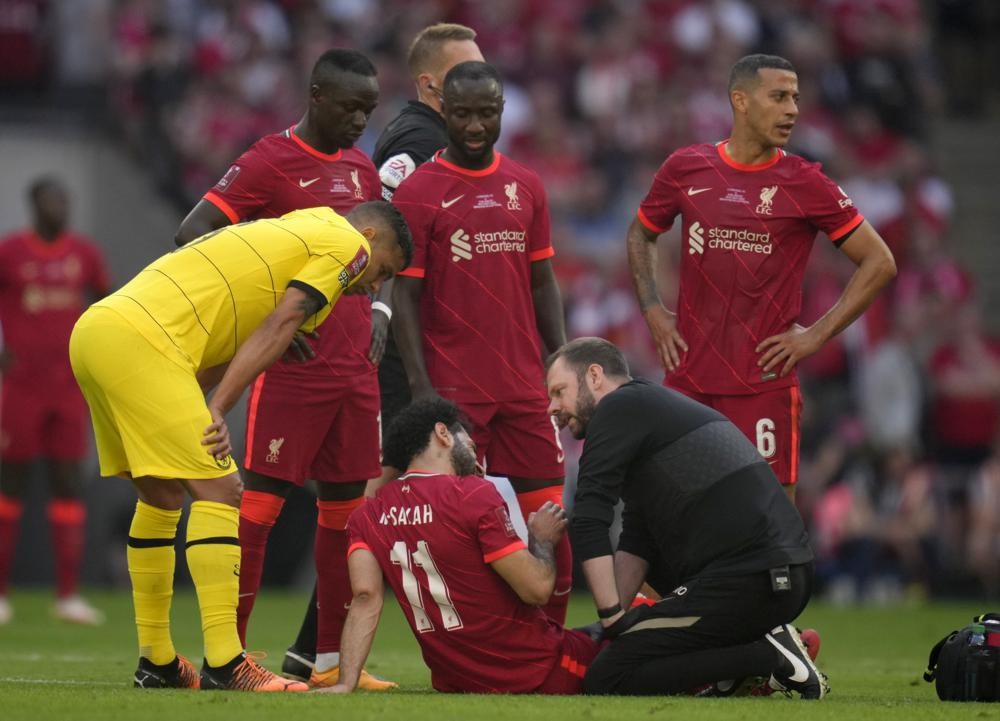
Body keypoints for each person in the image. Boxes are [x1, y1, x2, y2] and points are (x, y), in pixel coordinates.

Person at [70, 202, 411, 692]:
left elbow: (245, 333)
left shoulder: (299, 228)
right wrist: (218, 407)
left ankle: (158, 662)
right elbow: (285, 317)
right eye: (383, 270)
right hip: (146, 343)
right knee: (224, 492)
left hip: (98, 332)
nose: (375, 284)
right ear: (372, 236)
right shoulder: (349, 244)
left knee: (162, 496)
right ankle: (227, 663)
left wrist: (204, 398)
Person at [175, 49, 394, 690]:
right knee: (259, 511)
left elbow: (380, 245)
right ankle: (229, 655)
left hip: (354, 367)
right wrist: (260, 320)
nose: (359, 120)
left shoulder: (361, 168)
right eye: (350, 106)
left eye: (368, 110)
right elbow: (193, 233)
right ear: (317, 95)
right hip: (294, 368)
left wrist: (379, 305)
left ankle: (325, 660)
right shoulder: (270, 160)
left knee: (344, 517)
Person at [626, 54, 897, 501]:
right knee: (667, 517)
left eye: (795, 98)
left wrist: (815, 336)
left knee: (771, 524)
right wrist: (652, 307)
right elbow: (641, 233)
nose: (792, 109)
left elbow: (880, 261)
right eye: (778, 97)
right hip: (688, 381)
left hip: (763, 385)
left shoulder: (806, 182)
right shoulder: (686, 167)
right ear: (741, 101)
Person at [391, 61, 571, 624]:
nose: (474, 125)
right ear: (444, 110)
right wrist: (421, 386)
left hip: (523, 385)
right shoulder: (420, 191)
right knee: (473, 529)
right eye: (463, 113)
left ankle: (552, 641)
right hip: (456, 389)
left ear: (501, 112)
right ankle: (488, 638)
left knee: (552, 519)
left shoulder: (526, 185)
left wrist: (560, 361)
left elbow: (542, 280)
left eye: (486, 113)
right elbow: (405, 298)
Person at [546, 337, 826, 698]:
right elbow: (638, 536)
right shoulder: (646, 406)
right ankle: (739, 671)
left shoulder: (617, 408)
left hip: (751, 578)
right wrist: (611, 623)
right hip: (776, 575)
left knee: (607, 676)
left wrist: (613, 617)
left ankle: (768, 656)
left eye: (559, 391)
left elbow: (588, 516)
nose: (552, 407)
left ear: (595, 376)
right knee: (623, 647)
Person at [318, 397, 600, 694]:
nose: (477, 459)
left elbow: (365, 598)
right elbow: (537, 590)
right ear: (443, 434)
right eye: (471, 445)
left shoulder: (366, 516)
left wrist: (345, 683)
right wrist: (541, 540)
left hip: (456, 680)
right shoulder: (472, 494)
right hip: (533, 669)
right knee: (634, 640)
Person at [0, 177, 109, 627]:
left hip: (67, 386)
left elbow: (107, 302)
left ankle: (68, 594)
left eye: (65, 198)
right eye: (51, 199)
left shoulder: (82, 254)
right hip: (21, 385)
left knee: (67, 482)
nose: (59, 206)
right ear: (33, 204)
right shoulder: (11, 252)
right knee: (11, 484)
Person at [371, 22, 483, 432]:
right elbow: (383, 226)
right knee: (399, 469)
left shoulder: (435, 134)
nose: (482, 80)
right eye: (467, 70)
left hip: (422, 337)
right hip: (409, 345)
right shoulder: (420, 142)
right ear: (430, 84)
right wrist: (382, 308)